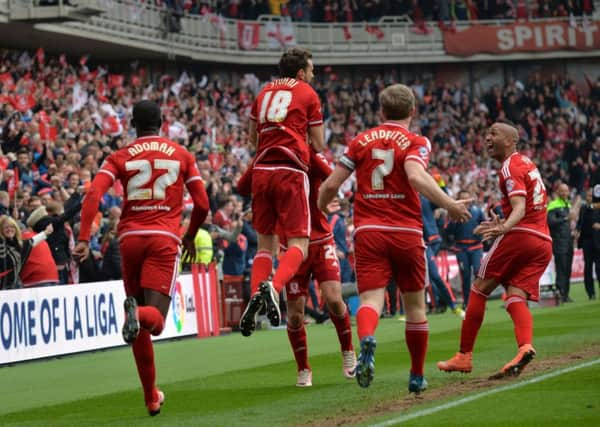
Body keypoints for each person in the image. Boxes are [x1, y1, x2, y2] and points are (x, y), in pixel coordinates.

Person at [318, 84, 471, 392]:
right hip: (406, 231)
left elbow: (331, 185)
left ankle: (368, 339)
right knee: (415, 307)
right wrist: (450, 204)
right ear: (412, 111)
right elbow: (414, 176)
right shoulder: (416, 141)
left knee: (372, 299)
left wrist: (322, 208)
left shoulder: (359, 141)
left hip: (368, 231)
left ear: (381, 111)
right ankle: (416, 375)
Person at [73, 100, 209, 416]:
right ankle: (138, 315)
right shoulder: (182, 154)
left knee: (139, 328)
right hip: (163, 240)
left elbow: (94, 194)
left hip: (129, 241)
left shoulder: (118, 156)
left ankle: (151, 397)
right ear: (161, 123)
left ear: (133, 124)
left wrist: (83, 238)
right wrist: (189, 235)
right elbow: (202, 204)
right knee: (155, 322)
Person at [438, 122, 553, 379]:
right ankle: (525, 347)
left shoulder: (509, 166)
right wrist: (505, 222)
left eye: (494, 133)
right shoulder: (526, 163)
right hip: (543, 241)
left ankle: (464, 356)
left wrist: (505, 228)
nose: (487, 138)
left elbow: (520, 207)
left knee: (479, 288)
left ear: (511, 140)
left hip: (520, 236)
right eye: (486, 134)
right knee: (515, 295)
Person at [238, 150, 356, 387]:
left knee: (333, 298)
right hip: (291, 245)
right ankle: (303, 368)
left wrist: (329, 196)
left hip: (321, 240)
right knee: (295, 314)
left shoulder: (308, 156)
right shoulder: (266, 158)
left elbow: (334, 179)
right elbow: (245, 186)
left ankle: (348, 351)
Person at [239, 47, 325, 337]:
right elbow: (319, 143)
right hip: (291, 170)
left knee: (265, 247)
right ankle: (273, 290)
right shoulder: (307, 93)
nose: (313, 75)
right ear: (301, 73)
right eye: (311, 71)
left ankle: (255, 297)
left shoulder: (263, 92)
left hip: (261, 171)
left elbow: (252, 138)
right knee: (299, 245)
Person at [421, 194, 464, 317]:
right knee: (415, 278)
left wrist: (440, 183)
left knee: (434, 276)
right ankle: (409, 310)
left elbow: (441, 199)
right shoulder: (400, 199)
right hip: (410, 241)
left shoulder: (424, 198)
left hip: (428, 242)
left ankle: (453, 305)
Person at [446, 190, 486, 307]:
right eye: (463, 199)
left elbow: (484, 224)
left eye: (468, 198)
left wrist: (481, 230)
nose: (466, 202)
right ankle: (466, 302)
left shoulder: (477, 211)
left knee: (478, 272)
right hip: (461, 248)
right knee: (466, 275)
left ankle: (479, 300)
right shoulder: (454, 213)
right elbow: (448, 231)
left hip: (476, 247)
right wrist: (453, 220)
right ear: (459, 200)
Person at [547, 183, 576, 302]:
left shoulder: (568, 204)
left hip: (569, 241)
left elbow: (568, 223)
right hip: (559, 241)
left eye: (566, 191)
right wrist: (566, 219)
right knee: (561, 268)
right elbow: (550, 222)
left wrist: (572, 228)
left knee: (568, 269)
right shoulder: (553, 205)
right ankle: (560, 295)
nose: (565, 193)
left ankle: (566, 294)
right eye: (562, 191)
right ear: (558, 192)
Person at [575, 188, 600, 300]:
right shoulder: (584, 209)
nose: (590, 198)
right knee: (588, 267)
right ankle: (591, 293)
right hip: (586, 242)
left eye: (592, 196)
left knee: (599, 268)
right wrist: (577, 231)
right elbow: (579, 223)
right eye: (589, 196)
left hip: (598, 241)